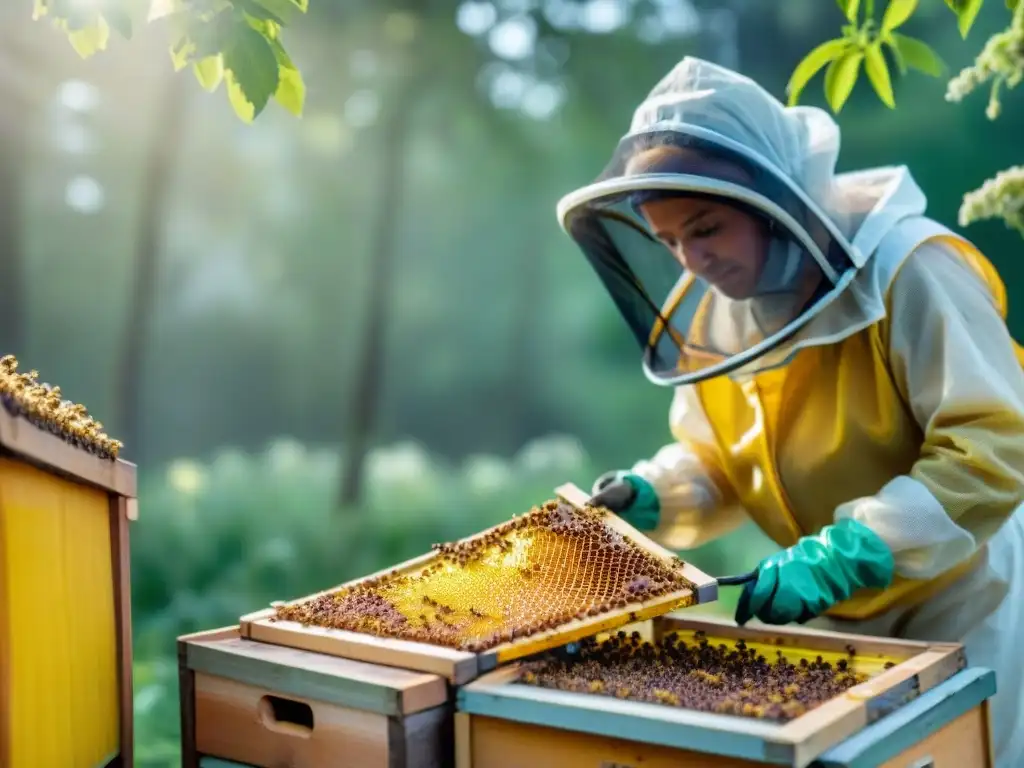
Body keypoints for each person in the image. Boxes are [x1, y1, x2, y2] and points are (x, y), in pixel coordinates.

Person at [556, 56, 1024, 767]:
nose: (692, 260)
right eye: (671, 241)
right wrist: (658, 492)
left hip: (967, 596)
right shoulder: (722, 313)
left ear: (774, 197)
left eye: (706, 227)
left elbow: (995, 445)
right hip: (838, 609)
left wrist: (853, 548)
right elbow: (720, 458)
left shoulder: (912, 270)